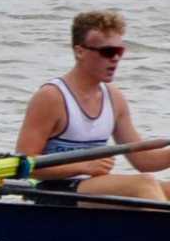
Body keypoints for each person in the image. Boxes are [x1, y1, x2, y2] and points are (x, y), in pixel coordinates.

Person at [11, 10, 170, 201]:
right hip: (51, 191)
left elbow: (144, 161)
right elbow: (22, 164)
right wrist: (83, 167)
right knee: (144, 184)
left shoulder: (114, 98)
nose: (115, 59)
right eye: (108, 52)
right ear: (80, 51)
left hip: (91, 189)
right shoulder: (51, 97)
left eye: (120, 51)